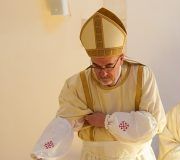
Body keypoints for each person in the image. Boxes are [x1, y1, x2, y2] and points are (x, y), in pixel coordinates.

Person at [32, 8, 166, 160]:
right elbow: (64, 122)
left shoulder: (142, 76)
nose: (103, 73)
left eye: (109, 66)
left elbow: (150, 125)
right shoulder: (78, 84)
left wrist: (107, 121)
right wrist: (44, 153)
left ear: (121, 59)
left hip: (135, 156)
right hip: (95, 156)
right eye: (96, 65)